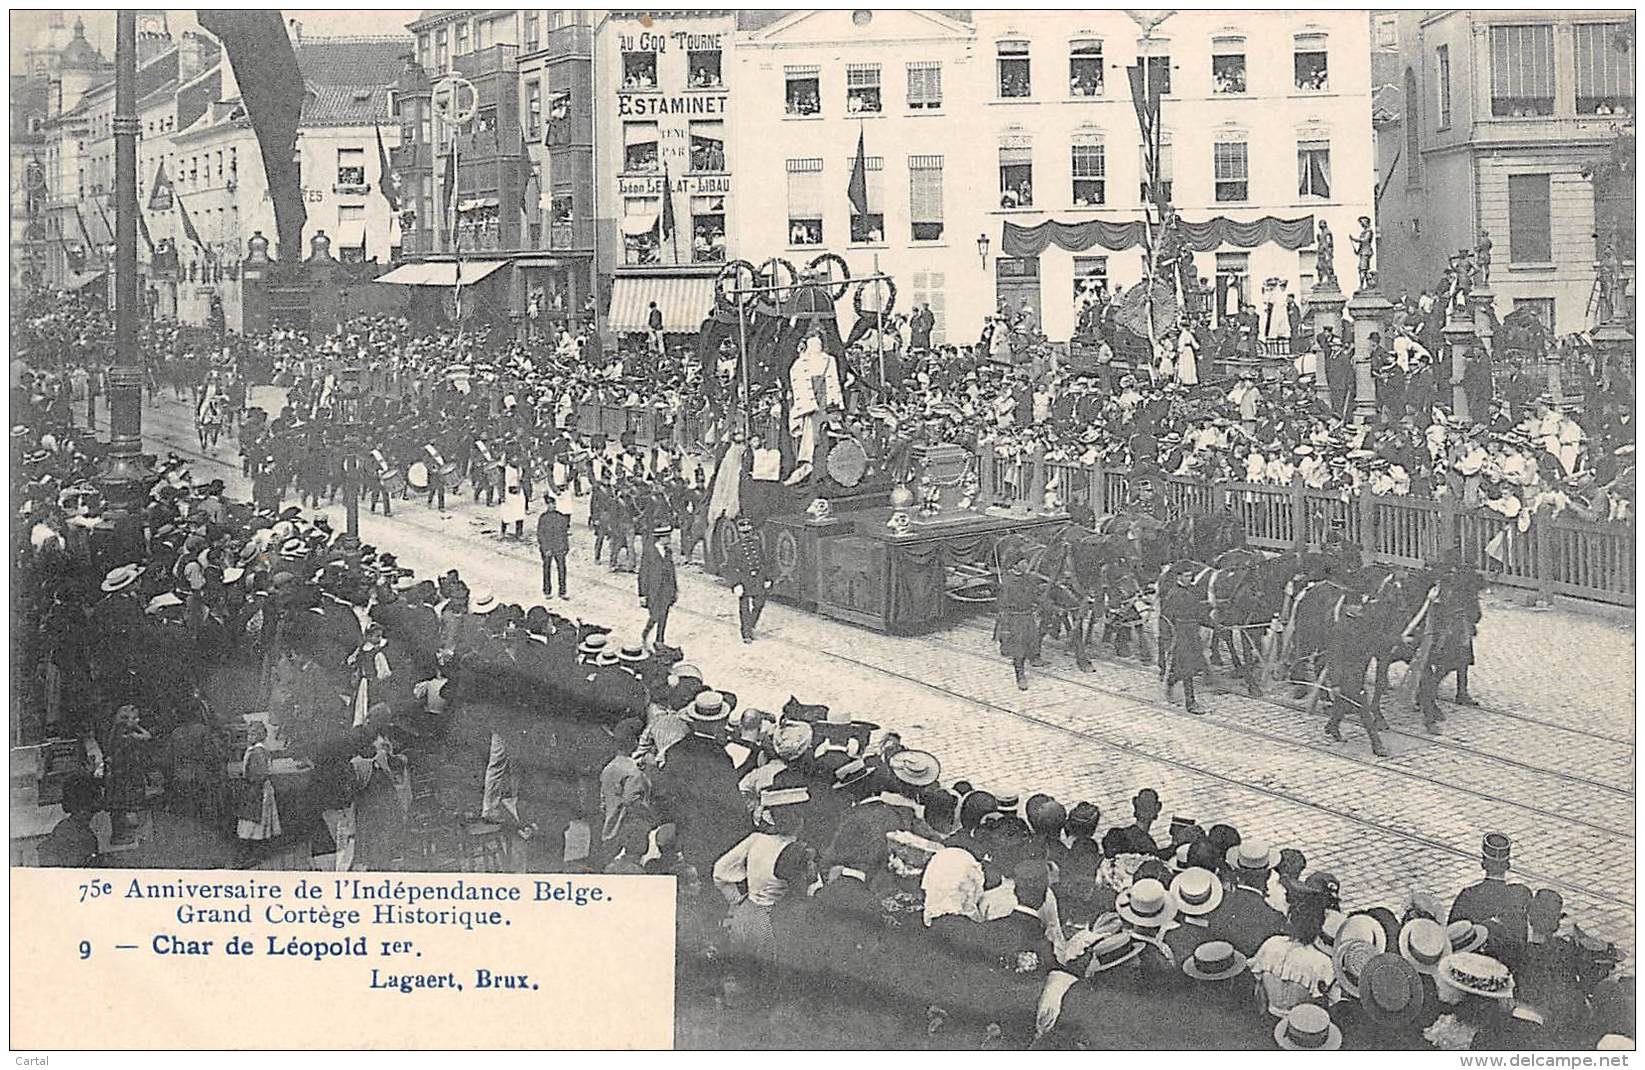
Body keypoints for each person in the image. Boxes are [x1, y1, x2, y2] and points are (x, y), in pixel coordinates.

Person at [995, 554, 1043, 690]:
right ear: (1015, 565)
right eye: (1023, 563)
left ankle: (1034, 658)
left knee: (1032, 641)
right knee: (1018, 649)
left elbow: (1035, 595)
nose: (1026, 566)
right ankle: (1020, 676)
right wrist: (1005, 628)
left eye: (1027, 563)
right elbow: (1002, 607)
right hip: (1015, 619)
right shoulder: (1008, 583)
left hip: (1028, 616)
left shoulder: (1028, 579)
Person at [723, 516, 771, 644]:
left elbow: (763, 561)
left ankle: (751, 625)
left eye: (749, 532)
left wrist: (767, 578)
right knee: (744, 607)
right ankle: (746, 632)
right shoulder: (734, 548)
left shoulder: (757, 543)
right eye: (744, 533)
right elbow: (730, 568)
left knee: (759, 604)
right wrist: (736, 584)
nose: (747, 535)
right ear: (739, 533)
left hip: (758, 578)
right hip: (744, 580)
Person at [641, 539, 678, 652]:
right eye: (667, 536)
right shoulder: (649, 552)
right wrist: (642, 594)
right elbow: (643, 573)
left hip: (666, 589)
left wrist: (674, 590)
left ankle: (659, 640)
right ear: (661, 538)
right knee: (656, 614)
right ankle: (646, 632)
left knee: (664, 615)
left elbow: (672, 572)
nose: (670, 539)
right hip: (653, 590)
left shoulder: (668, 552)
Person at [536, 494, 570, 599]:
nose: (552, 506)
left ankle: (562, 591)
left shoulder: (561, 516)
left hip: (559, 547)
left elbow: (564, 533)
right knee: (547, 569)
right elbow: (541, 535)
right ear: (547, 505)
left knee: (562, 570)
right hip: (548, 549)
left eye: (554, 504)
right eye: (550, 504)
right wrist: (546, 549)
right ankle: (547, 591)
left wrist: (565, 547)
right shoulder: (543, 518)